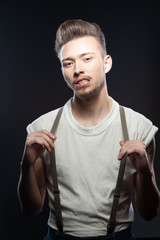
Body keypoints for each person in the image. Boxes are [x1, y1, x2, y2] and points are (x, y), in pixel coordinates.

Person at [17, 19, 160, 240]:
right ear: (63, 70)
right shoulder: (42, 129)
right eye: (68, 63)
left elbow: (149, 213)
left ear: (106, 63)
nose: (78, 70)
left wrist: (145, 171)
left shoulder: (138, 128)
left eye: (87, 58)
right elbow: (31, 210)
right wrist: (26, 165)